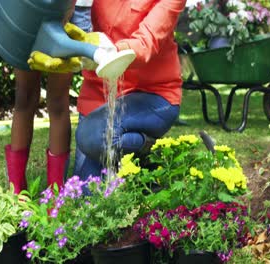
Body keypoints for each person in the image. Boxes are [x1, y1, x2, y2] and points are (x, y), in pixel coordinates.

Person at [72, 0, 187, 180]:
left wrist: (106, 52)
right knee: (84, 196)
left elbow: (145, 43)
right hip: (99, 94)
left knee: (90, 137)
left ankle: (147, 149)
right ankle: (129, 163)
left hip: (153, 96)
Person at [5, 0, 87, 194]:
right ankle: (16, 189)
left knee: (58, 100)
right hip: (27, 11)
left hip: (66, 11)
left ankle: (55, 193)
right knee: (25, 96)